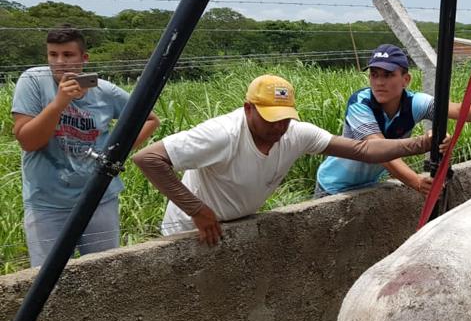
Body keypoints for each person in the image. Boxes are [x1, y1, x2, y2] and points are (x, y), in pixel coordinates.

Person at [133, 74, 436, 245]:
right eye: (270, 119)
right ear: (248, 108)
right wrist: (197, 210)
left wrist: (418, 144)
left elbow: (362, 150)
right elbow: (149, 158)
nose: (278, 127)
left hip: (237, 228)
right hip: (191, 232)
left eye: (285, 119)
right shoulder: (222, 134)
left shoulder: (295, 134)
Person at [11, 24, 160, 267]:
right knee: (48, 277)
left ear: (84, 58)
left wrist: (113, 154)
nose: (60, 62)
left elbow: (150, 119)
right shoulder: (33, 81)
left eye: (68, 55)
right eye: (53, 54)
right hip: (47, 202)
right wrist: (59, 102)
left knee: (104, 269)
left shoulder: (103, 91)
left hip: (99, 198)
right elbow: (28, 141)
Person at [315, 44, 471, 198]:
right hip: (333, 187)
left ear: (406, 80)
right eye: (374, 75)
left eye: (388, 75)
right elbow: (378, 149)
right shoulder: (360, 103)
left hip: (368, 185)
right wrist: (415, 181)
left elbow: (456, 110)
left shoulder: (414, 103)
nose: (379, 82)